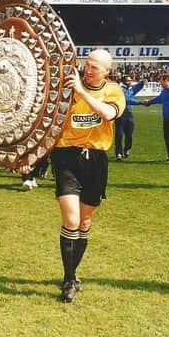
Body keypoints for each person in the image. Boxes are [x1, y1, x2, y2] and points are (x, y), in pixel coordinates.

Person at [46, 49, 125, 303]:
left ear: (106, 71)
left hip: (96, 160)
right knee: (71, 218)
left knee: (84, 224)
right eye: (87, 65)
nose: (88, 70)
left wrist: (82, 92)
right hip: (67, 156)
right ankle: (68, 280)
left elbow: (108, 114)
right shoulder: (69, 87)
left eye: (95, 68)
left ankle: (73, 272)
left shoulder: (113, 91)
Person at [114, 75, 146, 160]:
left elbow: (136, 88)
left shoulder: (130, 88)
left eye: (130, 80)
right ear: (123, 82)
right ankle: (119, 153)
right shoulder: (120, 90)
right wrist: (141, 102)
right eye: (128, 81)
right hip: (121, 114)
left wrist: (142, 83)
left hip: (129, 114)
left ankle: (127, 149)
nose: (130, 82)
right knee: (119, 135)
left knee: (129, 134)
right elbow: (127, 100)